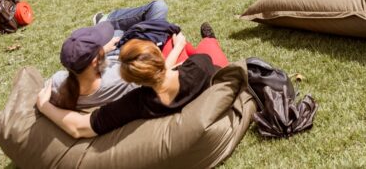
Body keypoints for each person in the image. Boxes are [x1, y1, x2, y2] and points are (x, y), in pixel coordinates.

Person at [36, 23, 227, 137]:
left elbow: (79, 128)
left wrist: (44, 106)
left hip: (164, 77)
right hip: (205, 70)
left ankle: (188, 46)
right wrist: (177, 49)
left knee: (182, 51)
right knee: (205, 46)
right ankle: (209, 40)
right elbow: (217, 74)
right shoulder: (198, 66)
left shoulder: (136, 102)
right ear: (158, 56)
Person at [47, 0, 170, 109]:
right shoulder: (121, 79)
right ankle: (104, 21)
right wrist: (178, 46)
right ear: (95, 61)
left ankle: (105, 24)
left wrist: (103, 50)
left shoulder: (58, 83)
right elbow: (159, 73)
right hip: (128, 55)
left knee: (117, 30)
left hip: (108, 58)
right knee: (159, 6)